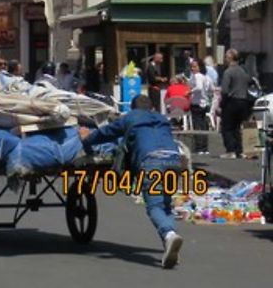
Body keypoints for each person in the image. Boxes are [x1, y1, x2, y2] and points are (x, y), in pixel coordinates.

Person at [79, 95, 184, 269]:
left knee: (154, 206)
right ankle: (169, 242)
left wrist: (86, 138)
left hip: (151, 161)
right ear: (151, 107)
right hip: (174, 160)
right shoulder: (161, 118)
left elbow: (105, 133)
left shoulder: (130, 117)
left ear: (133, 108)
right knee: (165, 204)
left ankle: (169, 235)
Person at [219, 48, 252, 159]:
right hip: (244, 101)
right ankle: (242, 150)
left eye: (225, 57)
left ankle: (231, 151)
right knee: (239, 127)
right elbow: (249, 81)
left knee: (227, 127)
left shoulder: (228, 72)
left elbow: (224, 90)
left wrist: (221, 103)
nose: (224, 59)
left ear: (229, 58)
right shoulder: (243, 71)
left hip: (231, 102)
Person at [187, 59, 215, 155]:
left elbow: (198, 87)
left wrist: (189, 92)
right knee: (204, 125)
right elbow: (212, 89)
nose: (193, 68)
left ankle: (199, 147)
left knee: (197, 125)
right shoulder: (207, 77)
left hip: (197, 103)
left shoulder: (197, 75)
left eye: (195, 66)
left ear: (200, 67)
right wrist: (206, 95)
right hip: (205, 103)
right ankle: (204, 147)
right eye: (192, 66)